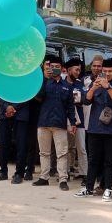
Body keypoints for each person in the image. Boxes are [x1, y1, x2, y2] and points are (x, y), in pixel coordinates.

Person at [77, 60, 112, 201]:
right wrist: (93, 88)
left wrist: (108, 87)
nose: (106, 74)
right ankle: (88, 188)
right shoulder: (96, 83)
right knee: (93, 160)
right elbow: (86, 101)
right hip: (94, 128)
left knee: (109, 162)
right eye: (104, 71)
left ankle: (108, 189)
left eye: (110, 71)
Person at [34, 55, 77, 191]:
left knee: (62, 153)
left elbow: (70, 106)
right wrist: (44, 79)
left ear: (62, 69)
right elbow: (38, 97)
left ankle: (63, 179)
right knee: (44, 152)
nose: (54, 69)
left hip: (60, 124)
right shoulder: (44, 82)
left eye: (57, 67)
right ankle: (44, 177)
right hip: (44, 122)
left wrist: (73, 123)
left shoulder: (67, 86)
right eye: (52, 67)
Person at [0, 99, 30, 183]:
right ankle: (3, 172)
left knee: (21, 145)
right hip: (5, 113)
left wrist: (13, 108)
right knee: (3, 143)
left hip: (21, 113)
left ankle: (19, 174)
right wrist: (6, 106)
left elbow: (28, 93)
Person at [64, 58, 87, 180]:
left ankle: (84, 173)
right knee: (66, 147)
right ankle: (65, 172)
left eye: (80, 70)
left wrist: (76, 99)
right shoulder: (62, 84)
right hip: (65, 120)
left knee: (81, 148)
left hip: (79, 121)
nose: (78, 72)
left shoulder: (80, 84)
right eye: (76, 69)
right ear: (69, 70)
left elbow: (84, 99)